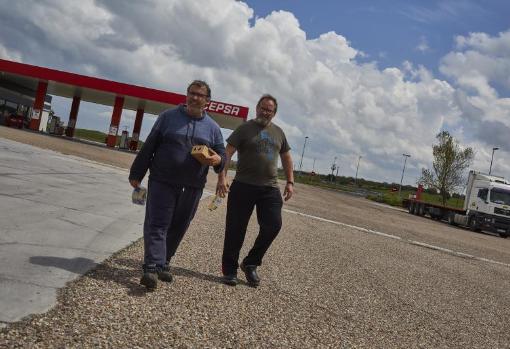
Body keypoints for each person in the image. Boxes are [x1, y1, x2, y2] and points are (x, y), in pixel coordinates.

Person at [129, 80, 225, 290]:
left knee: (180, 224)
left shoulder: (214, 129)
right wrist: (137, 173)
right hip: (162, 180)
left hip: (192, 185)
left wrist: (218, 161)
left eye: (200, 95)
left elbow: (222, 156)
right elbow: (150, 145)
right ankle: (151, 268)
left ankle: (164, 262)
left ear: (208, 101)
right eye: (192, 93)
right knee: (158, 222)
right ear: (186, 95)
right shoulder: (167, 118)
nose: (194, 97)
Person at [216, 94, 294, 287]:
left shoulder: (279, 133)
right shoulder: (244, 128)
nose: (265, 112)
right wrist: (222, 177)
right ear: (256, 108)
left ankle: (250, 263)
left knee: (273, 226)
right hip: (243, 185)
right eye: (263, 108)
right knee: (235, 229)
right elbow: (227, 153)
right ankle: (230, 270)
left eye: (270, 110)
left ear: (274, 113)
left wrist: (290, 181)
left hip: (270, 188)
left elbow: (286, 158)